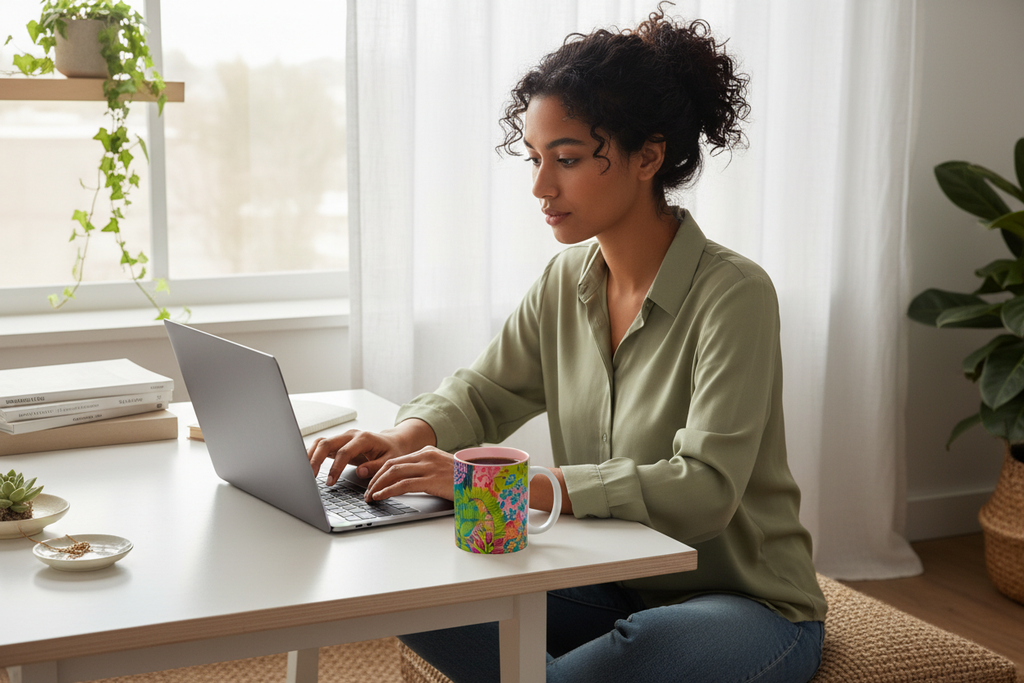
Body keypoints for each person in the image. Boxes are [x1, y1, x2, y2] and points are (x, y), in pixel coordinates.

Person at [308, 7, 827, 682]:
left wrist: (519, 487)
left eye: (569, 159)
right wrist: (406, 436)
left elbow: (704, 490)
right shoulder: (566, 281)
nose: (541, 187)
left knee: (619, 653)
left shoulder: (735, 294)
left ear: (649, 155)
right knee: (410, 584)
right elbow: (486, 391)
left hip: (745, 603)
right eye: (534, 158)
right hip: (616, 579)